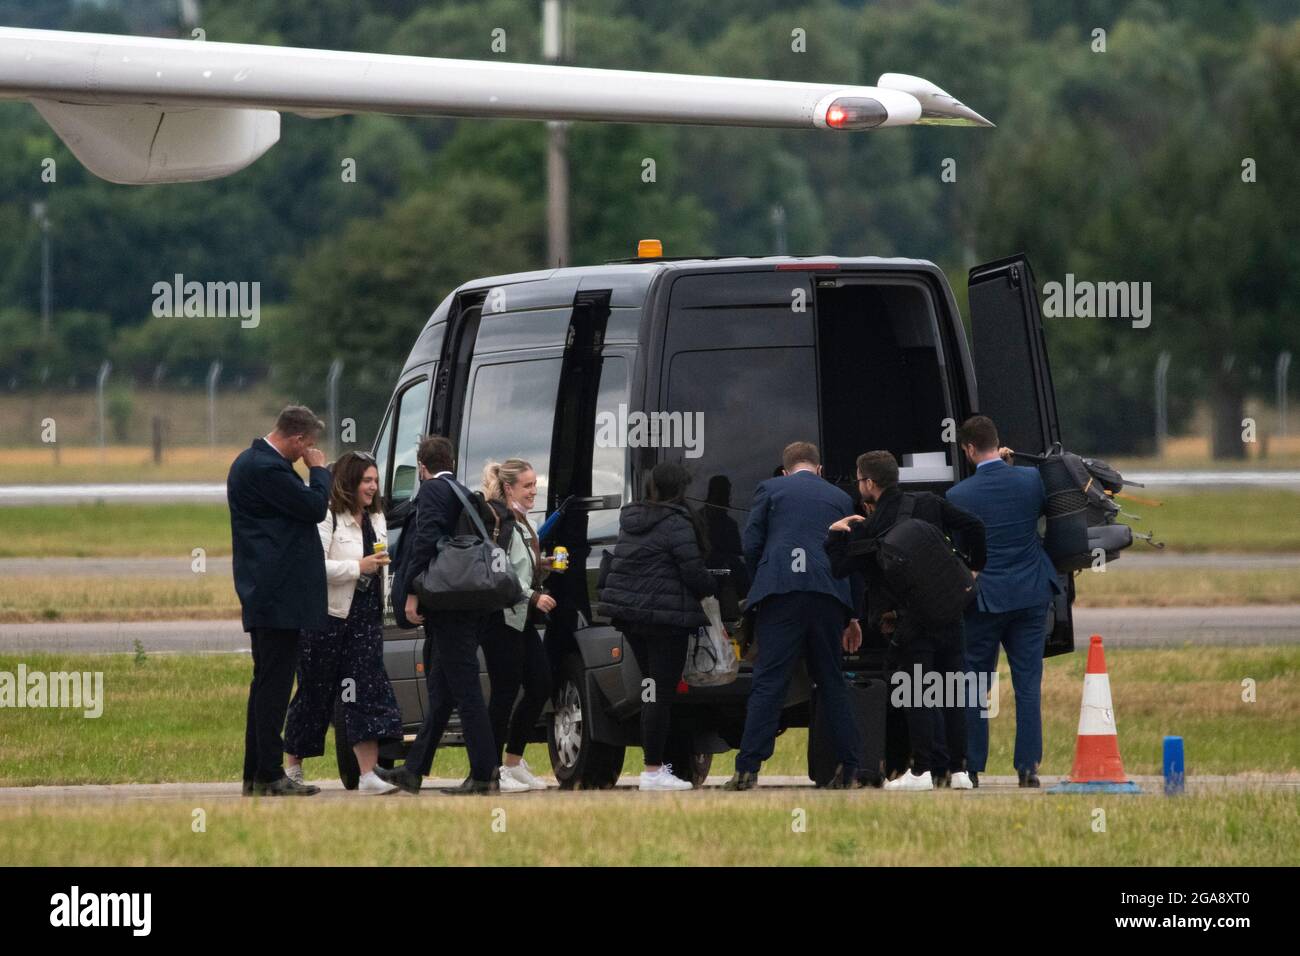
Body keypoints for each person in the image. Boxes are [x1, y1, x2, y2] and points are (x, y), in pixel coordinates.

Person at [825, 450, 986, 791]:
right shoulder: (929, 502)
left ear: (869, 483)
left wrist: (836, 534)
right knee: (952, 692)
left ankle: (923, 771)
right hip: (949, 612)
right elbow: (974, 525)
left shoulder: (870, 526)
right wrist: (974, 567)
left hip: (910, 621)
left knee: (918, 694)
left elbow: (841, 568)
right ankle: (959, 772)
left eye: (859, 480)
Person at [724, 441, 864, 791]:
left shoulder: (770, 489)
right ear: (818, 469)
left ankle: (747, 769)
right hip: (827, 594)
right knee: (831, 681)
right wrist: (853, 616)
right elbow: (851, 556)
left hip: (780, 593)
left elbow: (751, 544)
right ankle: (850, 768)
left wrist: (763, 582)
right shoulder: (840, 498)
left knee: (769, 682)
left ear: (785, 471)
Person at [376, 436, 501, 796]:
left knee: (465, 690)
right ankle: (414, 770)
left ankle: (484, 773)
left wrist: (413, 591)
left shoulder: (432, 490)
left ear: (422, 467)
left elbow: (426, 540)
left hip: (448, 606)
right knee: (443, 691)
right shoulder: (464, 492)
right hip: (470, 601)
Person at [946, 415, 1061, 788]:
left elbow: (962, 551)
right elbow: (1035, 511)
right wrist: (1011, 467)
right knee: (1028, 683)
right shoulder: (1031, 479)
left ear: (967, 449)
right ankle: (1028, 767)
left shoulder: (959, 495)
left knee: (975, 684)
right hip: (1030, 594)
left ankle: (973, 767)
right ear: (998, 443)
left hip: (986, 601)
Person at [282, 451, 402, 794]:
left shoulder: (377, 517)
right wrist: (357, 567)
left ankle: (367, 775)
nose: (373, 487)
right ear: (349, 482)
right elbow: (311, 568)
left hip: (365, 618)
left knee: (366, 689)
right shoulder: (326, 516)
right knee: (314, 692)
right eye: (367, 480)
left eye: (376, 481)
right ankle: (293, 768)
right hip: (327, 617)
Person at [227, 405, 331, 797]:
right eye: (309, 445)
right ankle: (269, 774)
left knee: (266, 685)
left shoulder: (251, 462)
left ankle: (257, 773)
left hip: (268, 593)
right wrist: (319, 471)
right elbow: (313, 507)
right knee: (273, 687)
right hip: (277, 596)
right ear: (297, 439)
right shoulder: (266, 468)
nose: (311, 451)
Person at [597, 462, 716, 791]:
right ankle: (652, 771)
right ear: (678, 489)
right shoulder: (676, 522)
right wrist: (714, 588)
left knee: (651, 690)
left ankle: (656, 766)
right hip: (665, 620)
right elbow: (692, 571)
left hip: (632, 618)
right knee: (660, 695)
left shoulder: (632, 519)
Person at [479, 459, 555, 793]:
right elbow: (501, 574)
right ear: (509, 488)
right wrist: (533, 596)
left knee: (541, 684)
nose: (533, 492)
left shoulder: (527, 524)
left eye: (535, 485)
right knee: (505, 691)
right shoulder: (503, 521)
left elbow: (523, 568)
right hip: (501, 617)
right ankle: (493, 768)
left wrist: (544, 566)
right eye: (527, 486)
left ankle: (513, 760)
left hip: (520, 618)